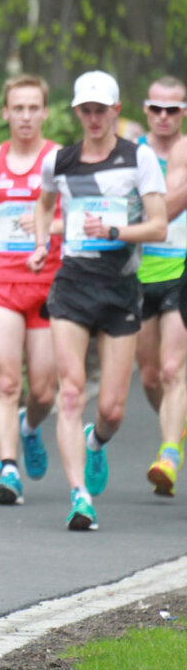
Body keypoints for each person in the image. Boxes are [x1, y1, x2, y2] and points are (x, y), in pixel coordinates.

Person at [28, 70, 166, 531]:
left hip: (121, 286)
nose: (92, 118)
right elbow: (44, 203)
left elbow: (159, 226)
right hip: (72, 284)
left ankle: (95, 444)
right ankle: (79, 497)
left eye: (99, 110)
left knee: (111, 409)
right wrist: (42, 245)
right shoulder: (60, 161)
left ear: (115, 111)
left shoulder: (138, 158)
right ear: (76, 112)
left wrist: (114, 232)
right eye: (84, 110)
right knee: (71, 392)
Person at [0, 75, 61, 505]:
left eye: (33, 108)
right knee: (6, 381)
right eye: (17, 108)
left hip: (49, 281)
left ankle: (30, 427)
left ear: (45, 112)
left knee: (43, 390)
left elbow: (76, 215)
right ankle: (8, 470)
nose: (25, 116)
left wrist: (50, 225)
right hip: (3, 278)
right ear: (5, 112)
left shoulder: (60, 159)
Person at [134, 76, 187, 496]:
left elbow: (166, 210)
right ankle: (176, 424)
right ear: (146, 110)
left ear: (183, 112)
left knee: (173, 369)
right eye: (157, 109)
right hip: (137, 272)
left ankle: (169, 453)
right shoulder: (132, 152)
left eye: (174, 109)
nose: (165, 117)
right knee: (151, 377)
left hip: (180, 269)